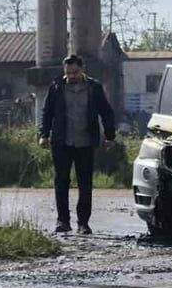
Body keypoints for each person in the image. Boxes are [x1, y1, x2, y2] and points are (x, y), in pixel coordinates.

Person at [39, 54, 116, 234]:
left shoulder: (94, 88)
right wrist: (44, 134)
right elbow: (47, 112)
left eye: (75, 72)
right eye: (68, 73)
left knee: (85, 183)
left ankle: (83, 223)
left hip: (86, 142)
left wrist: (110, 137)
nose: (71, 76)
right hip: (61, 142)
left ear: (82, 69)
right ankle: (62, 221)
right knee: (61, 181)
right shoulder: (57, 87)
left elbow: (106, 112)